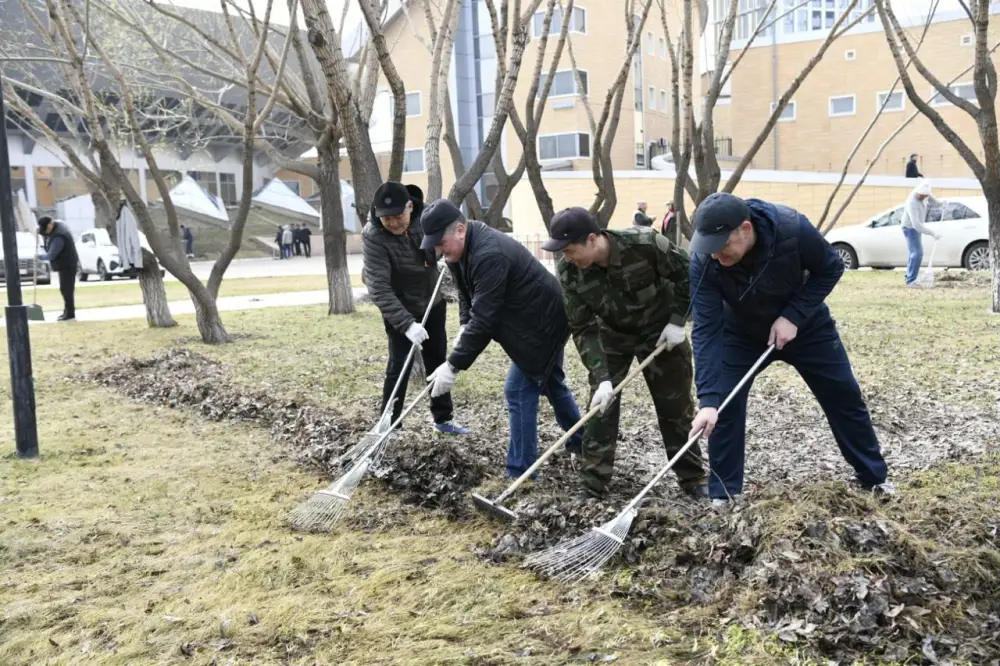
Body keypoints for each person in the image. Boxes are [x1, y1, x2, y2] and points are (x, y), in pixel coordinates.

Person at [686, 192, 894, 506]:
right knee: (723, 406)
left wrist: (793, 315)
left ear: (746, 229)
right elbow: (705, 329)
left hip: (806, 327)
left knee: (844, 394)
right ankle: (724, 495)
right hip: (741, 334)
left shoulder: (792, 229)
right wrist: (708, 399)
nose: (716, 256)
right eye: (710, 249)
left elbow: (831, 268)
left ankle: (874, 478)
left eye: (722, 247)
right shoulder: (704, 260)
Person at [544, 207, 708, 499]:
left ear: (592, 240)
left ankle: (692, 478)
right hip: (612, 335)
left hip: (661, 332)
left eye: (570, 250)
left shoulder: (645, 244)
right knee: (600, 408)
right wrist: (602, 375)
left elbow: (689, 273)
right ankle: (592, 484)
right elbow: (582, 327)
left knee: (676, 408)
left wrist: (677, 320)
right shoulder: (570, 273)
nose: (566, 257)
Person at [420, 199, 585, 478]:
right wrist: (463, 324)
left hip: (544, 321)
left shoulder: (489, 254)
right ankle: (583, 443)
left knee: (519, 390)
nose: (438, 251)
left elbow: (486, 319)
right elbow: (466, 294)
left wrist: (453, 365)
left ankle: (520, 473)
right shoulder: (458, 253)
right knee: (550, 382)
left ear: (460, 230)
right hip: (525, 318)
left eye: (440, 243)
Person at [362, 182, 470, 435]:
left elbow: (442, 246)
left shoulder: (425, 218)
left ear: (410, 207)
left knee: (437, 360)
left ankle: (443, 419)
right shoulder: (373, 235)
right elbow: (379, 287)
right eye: (386, 219)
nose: (393, 223)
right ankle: (390, 424)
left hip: (432, 302)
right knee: (398, 365)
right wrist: (406, 323)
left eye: (398, 216)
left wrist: (443, 257)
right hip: (399, 306)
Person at [37, 216, 79, 321]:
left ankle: (70, 314)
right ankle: (67, 312)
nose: (46, 231)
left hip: (67, 265)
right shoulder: (56, 228)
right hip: (64, 265)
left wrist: (38, 257)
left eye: (46, 228)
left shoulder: (59, 236)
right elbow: (47, 234)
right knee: (65, 289)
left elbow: (51, 255)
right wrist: (40, 232)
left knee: (67, 289)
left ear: (51, 224)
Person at [901, 179, 941, 287]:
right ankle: (911, 281)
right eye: (921, 196)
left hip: (916, 227)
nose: (922, 198)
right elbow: (916, 225)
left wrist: (942, 204)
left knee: (913, 253)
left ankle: (909, 277)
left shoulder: (926, 193)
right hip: (910, 228)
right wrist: (932, 233)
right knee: (917, 253)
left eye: (924, 196)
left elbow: (934, 201)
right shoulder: (911, 202)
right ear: (917, 192)